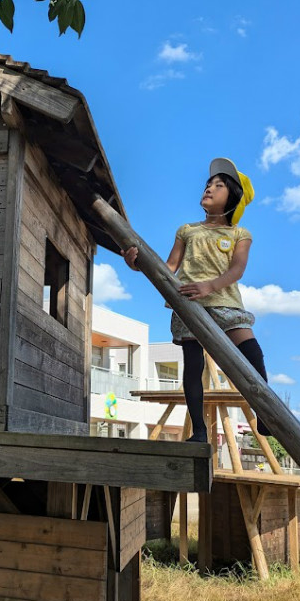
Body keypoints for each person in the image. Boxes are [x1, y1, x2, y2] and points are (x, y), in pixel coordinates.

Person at [123, 157, 269, 443]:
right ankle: (199, 432)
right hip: (189, 304)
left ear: (233, 199)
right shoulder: (187, 230)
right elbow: (169, 268)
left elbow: (237, 269)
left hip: (225, 302)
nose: (209, 188)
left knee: (252, 353)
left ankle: (265, 413)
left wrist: (210, 286)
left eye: (219, 185)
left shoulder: (239, 234)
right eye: (208, 184)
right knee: (193, 366)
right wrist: (137, 265)